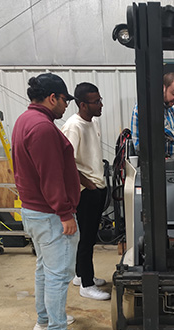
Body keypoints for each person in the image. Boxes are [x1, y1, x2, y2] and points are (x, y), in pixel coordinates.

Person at [11, 73, 88, 330]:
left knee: (45, 269)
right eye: (65, 99)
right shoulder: (42, 128)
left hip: (33, 210)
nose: (66, 105)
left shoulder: (24, 121)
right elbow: (51, 175)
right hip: (50, 214)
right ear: (52, 97)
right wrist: (65, 212)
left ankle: (45, 320)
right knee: (58, 274)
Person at [61, 82, 111, 301]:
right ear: (82, 104)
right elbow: (66, 162)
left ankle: (81, 275)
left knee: (89, 237)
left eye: (100, 100)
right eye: (96, 101)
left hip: (97, 187)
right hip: (87, 192)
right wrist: (87, 184)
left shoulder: (92, 122)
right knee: (87, 238)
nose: (100, 104)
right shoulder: (74, 126)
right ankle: (87, 286)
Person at [131, 72, 174, 158]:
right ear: (163, 88)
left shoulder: (170, 110)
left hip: (166, 160)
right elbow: (165, 130)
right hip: (150, 162)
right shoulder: (148, 106)